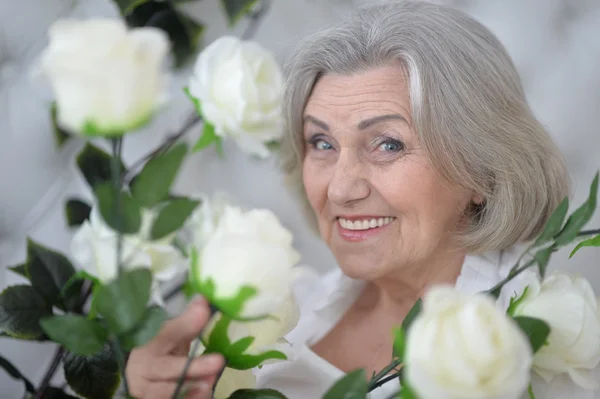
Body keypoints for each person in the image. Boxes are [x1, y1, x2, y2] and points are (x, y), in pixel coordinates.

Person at [125, 1, 597, 398]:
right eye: (322, 143)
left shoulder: (540, 357)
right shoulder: (283, 310)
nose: (341, 188)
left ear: (483, 170)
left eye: (388, 144)